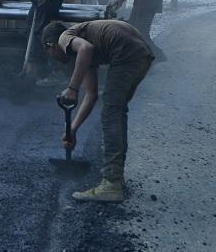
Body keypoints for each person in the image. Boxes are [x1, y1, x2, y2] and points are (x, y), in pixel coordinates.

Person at [43, 18, 155, 202]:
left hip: (127, 54)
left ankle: (111, 184)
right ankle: (116, 178)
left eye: (50, 53)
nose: (53, 58)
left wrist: (72, 88)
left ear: (50, 45)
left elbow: (86, 49)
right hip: (140, 54)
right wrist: (72, 130)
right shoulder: (85, 45)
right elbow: (92, 94)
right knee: (116, 112)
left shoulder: (65, 36)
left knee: (111, 113)